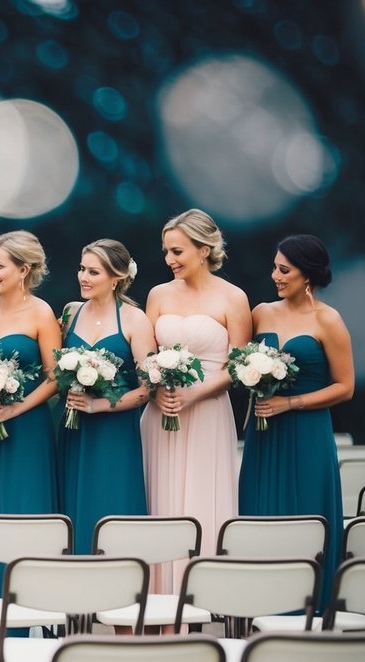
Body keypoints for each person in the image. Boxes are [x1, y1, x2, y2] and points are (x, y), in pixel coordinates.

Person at [239, 234, 353, 607]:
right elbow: (237, 363)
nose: (275, 275)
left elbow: (345, 386)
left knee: (307, 516)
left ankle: (311, 604)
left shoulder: (328, 320)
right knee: (261, 514)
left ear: (307, 275)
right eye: (274, 267)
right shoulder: (261, 313)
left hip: (307, 434)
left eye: (284, 269)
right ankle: (262, 605)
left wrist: (292, 403)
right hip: (264, 433)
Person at [141, 209, 251, 593]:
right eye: (166, 252)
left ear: (204, 250)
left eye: (177, 251)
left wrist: (194, 393)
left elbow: (239, 367)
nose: (169, 260)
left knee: (203, 498)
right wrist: (157, 391)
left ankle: (202, 593)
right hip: (161, 413)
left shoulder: (233, 298)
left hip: (206, 412)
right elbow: (143, 355)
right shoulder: (157, 295)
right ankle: (159, 593)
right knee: (162, 498)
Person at [0, 232, 60, 626]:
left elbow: (56, 379)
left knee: (27, 516)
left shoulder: (42, 313)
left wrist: (16, 408)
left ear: (23, 270)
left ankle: (34, 628)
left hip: (29, 432)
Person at [57, 239, 154, 553]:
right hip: (73, 428)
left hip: (114, 431)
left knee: (110, 504)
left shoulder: (134, 320)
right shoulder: (71, 312)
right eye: (82, 268)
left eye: (93, 272)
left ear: (117, 277)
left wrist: (100, 405)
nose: (83, 277)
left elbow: (148, 388)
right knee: (71, 507)